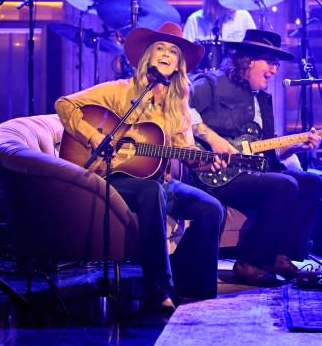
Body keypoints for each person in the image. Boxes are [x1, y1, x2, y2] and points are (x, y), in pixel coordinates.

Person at [55, 22, 226, 311]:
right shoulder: (120, 91)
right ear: (148, 57)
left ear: (178, 66)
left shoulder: (178, 106)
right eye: (159, 48)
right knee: (151, 192)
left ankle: (194, 289)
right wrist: (96, 137)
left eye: (173, 51)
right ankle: (158, 286)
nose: (166, 54)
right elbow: (64, 105)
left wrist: (202, 161)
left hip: (161, 181)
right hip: (111, 176)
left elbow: (184, 149)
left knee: (211, 209)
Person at [190, 29, 322, 286]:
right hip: (217, 173)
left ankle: (280, 257)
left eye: (276, 65)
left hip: (253, 171)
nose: (274, 71)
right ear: (249, 60)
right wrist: (212, 138)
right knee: (284, 185)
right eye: (270, 63)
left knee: (312, 183)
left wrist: (297, 146)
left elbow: (264, 148)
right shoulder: (213, 83)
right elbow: (182, 107)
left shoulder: (262, 99)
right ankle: (249, 262)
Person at [183, 0, 256, 71]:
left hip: (237, 76)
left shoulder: (243, 17)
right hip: (202, 78)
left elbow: (254, 50)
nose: (232, 2)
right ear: (215, 0)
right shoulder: (195, 20)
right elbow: (184, 54)